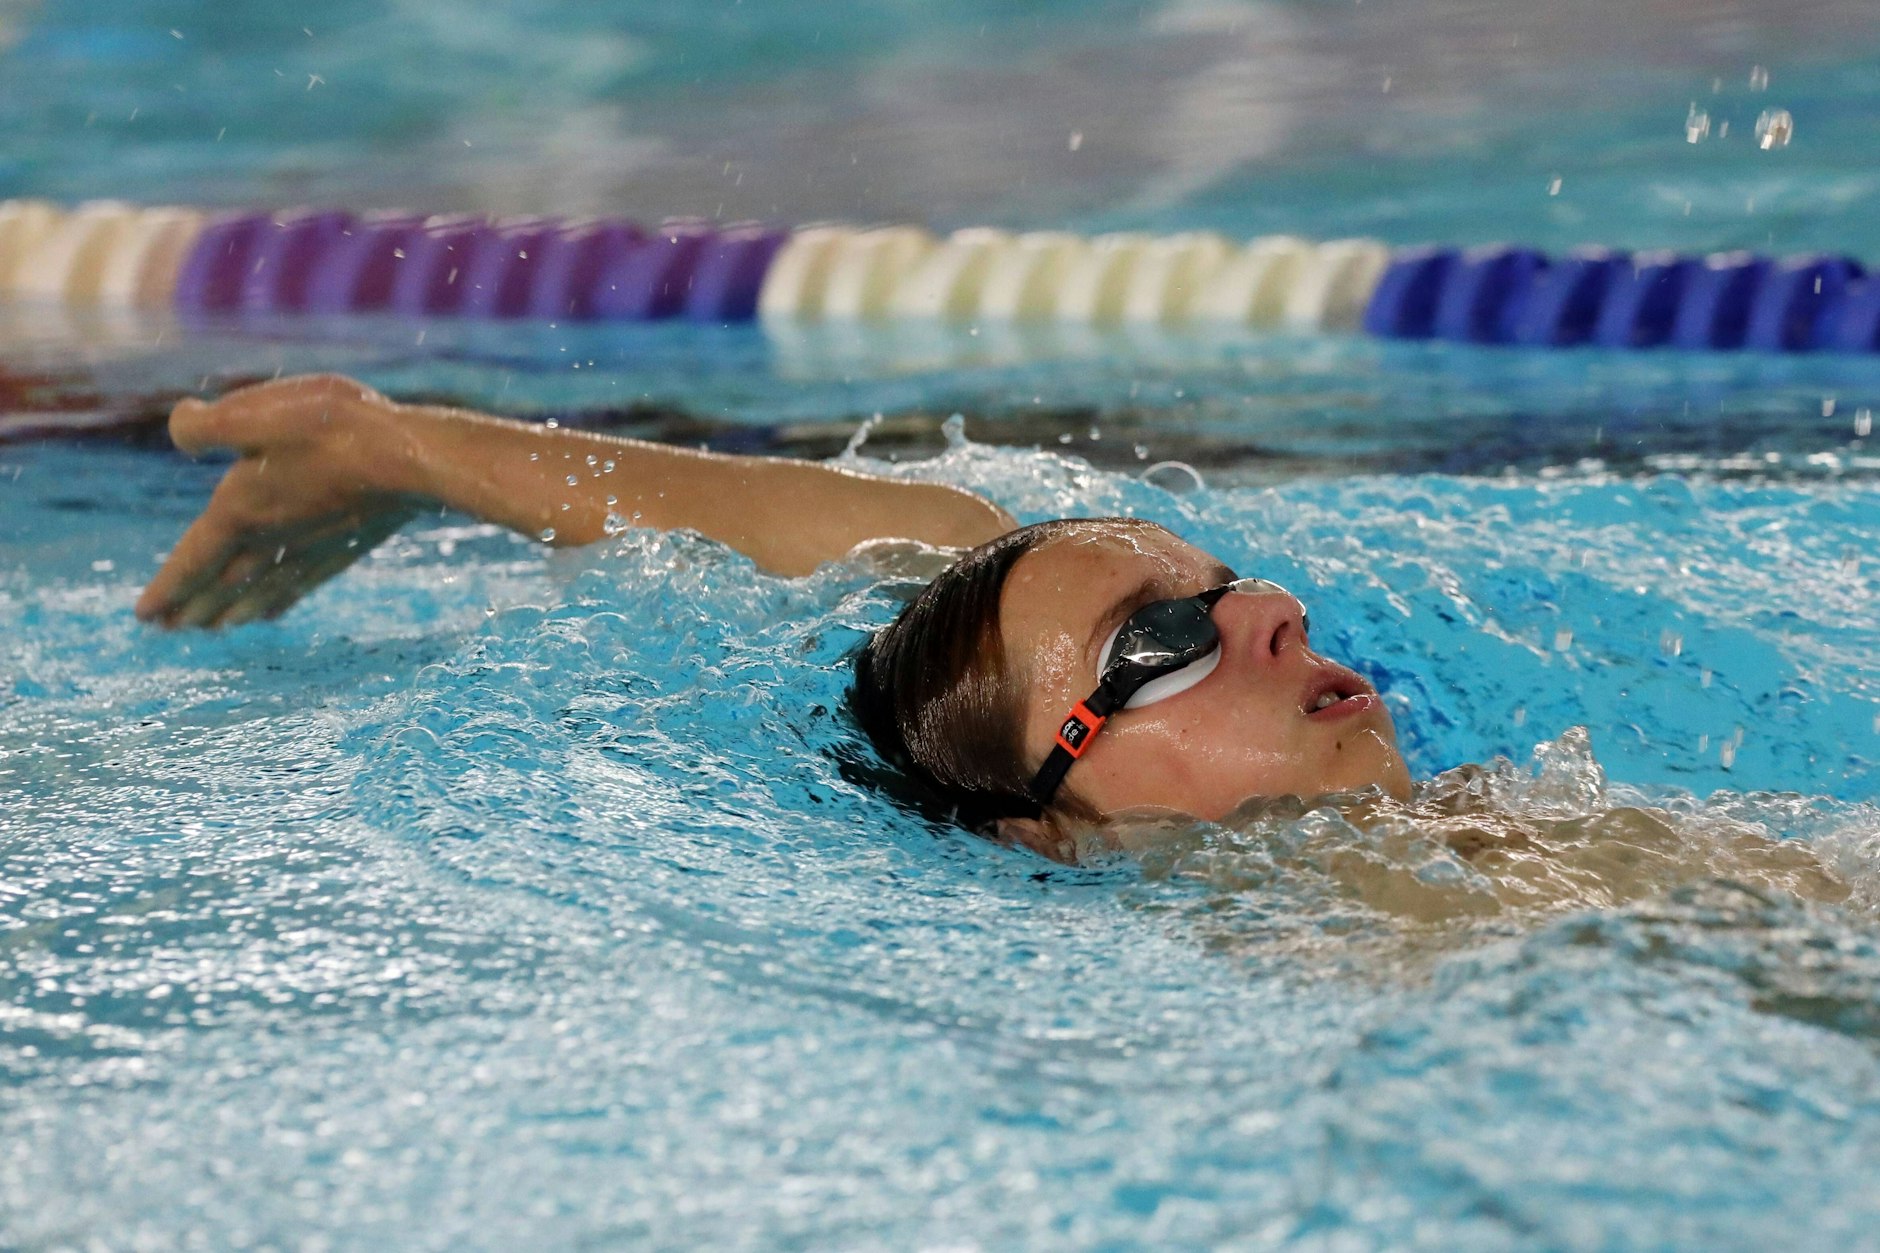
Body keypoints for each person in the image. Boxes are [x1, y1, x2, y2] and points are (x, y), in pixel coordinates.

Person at [138, 373, 1410, 862]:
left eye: (1229, 585)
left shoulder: (1061, 783)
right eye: (1161, 641)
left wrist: (396, 443)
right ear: (1046, 835)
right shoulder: (1388, 925)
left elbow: (946, 556)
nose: (1279, 611)